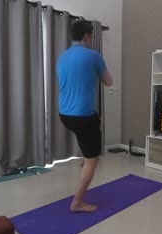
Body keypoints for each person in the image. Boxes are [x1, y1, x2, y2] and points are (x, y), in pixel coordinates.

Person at [57, 21, 113, 212]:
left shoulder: (62, 58)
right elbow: (108, 82)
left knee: (97, 121)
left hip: (64, 115)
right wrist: (97, 69)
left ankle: (85, 154)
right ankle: (77, 202)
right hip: (83, 118)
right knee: (92, 159)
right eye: (91, 38)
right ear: (87, 36)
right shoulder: (93, 56)